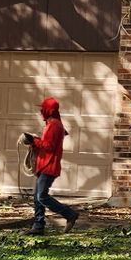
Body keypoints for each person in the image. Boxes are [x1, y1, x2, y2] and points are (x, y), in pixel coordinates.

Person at [21, 97, 81, 234]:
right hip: (44, 165)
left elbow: (49, 146)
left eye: (43, 109)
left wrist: (33, 140)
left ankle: (70, 214)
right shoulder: (52, 124)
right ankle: (38, 226)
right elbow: (46, 144)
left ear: (48, 110)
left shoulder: (54, 125)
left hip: (49, 166)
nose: (41, 111)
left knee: (42, 196)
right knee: (37, 197)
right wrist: (34, 143)